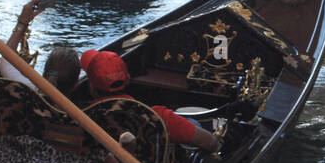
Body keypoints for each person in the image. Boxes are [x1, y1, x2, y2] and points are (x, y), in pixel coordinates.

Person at [80, 50, 222, 153]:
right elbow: (211, 143)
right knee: (194, 124)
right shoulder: (159, 117)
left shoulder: (78, 116)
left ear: (91, 87)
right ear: (128, 79)